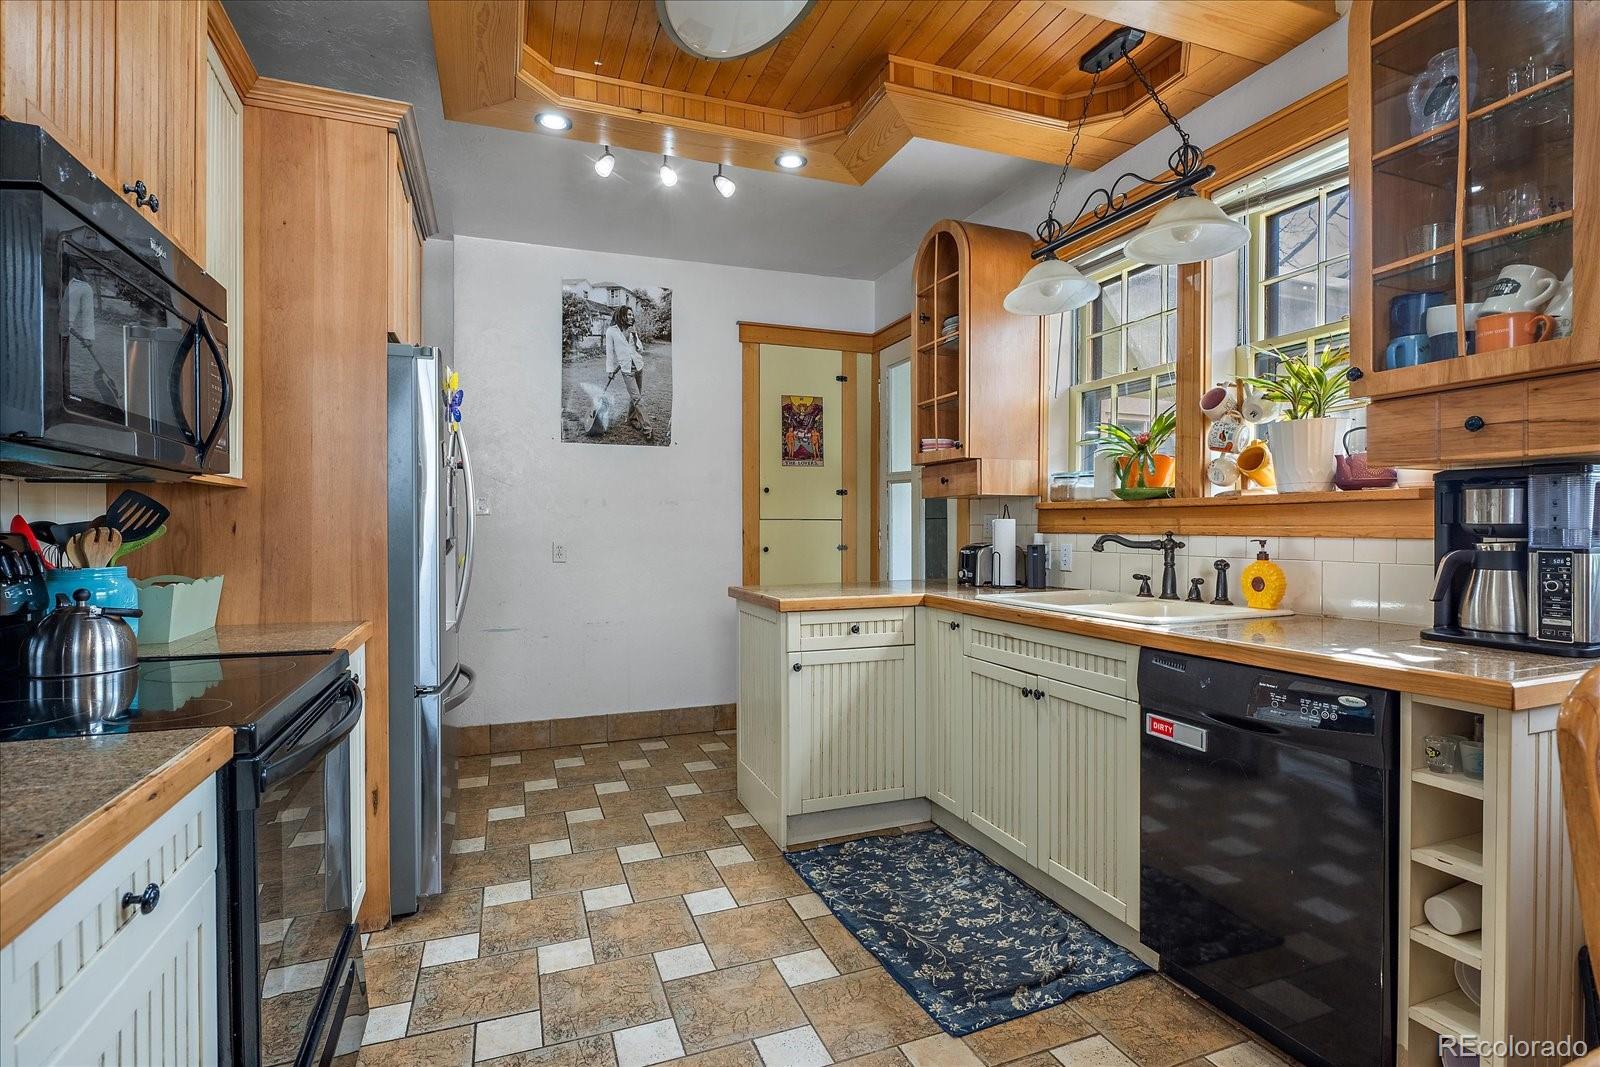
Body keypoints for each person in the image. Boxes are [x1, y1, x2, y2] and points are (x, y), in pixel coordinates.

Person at [603, 305, 654, 441]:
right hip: (626, 370)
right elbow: (610, 353)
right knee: (637, 398)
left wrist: (635, 335)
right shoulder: (611, 331)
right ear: (621, 315)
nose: (631, 317)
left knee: (635, 397)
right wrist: (610, 370)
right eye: (629, 314)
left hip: (638, 366)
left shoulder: (632, 330)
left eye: (632, 315)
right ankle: (648, 428)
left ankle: (632, 419)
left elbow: (640, 349)